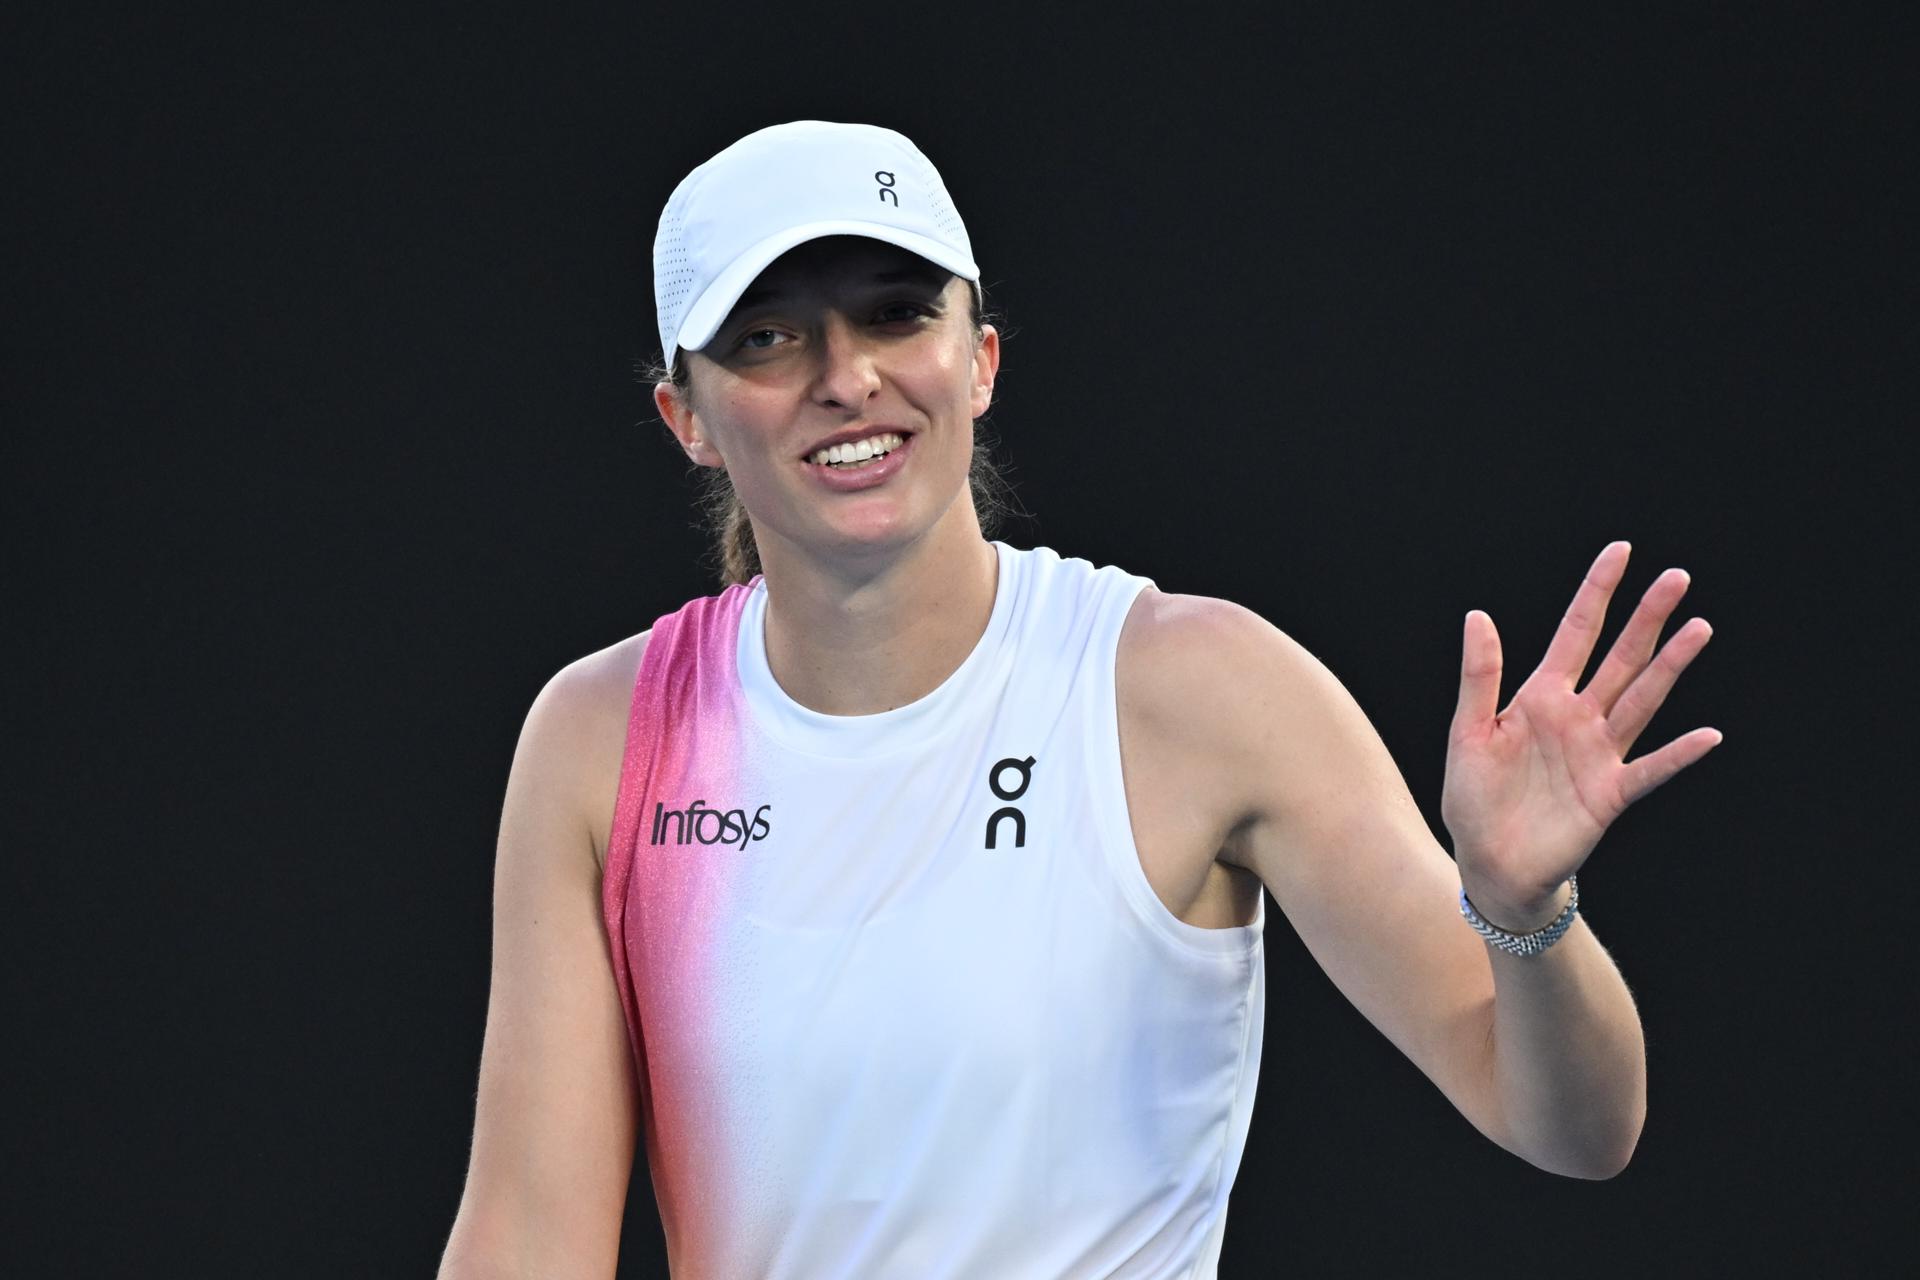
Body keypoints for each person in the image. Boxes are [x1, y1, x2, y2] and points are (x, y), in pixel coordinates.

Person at [438, 121, 1721, 1279]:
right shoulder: (599, 738)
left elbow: (1576, 1128)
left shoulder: (1197, 688)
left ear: (980, 358)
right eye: (769, 337)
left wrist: (1525, 912)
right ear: (687, 416)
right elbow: (525, 1241)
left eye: (895, 314)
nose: (847, 378)